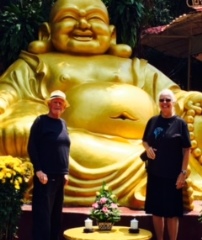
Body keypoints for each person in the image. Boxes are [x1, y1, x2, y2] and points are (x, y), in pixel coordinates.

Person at [0, 0, 201, 209]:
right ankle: (152, 187)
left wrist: (190, 100)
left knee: (192, 126)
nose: (84, 25)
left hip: (145, 139)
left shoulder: (131, 66)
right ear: (46, 33)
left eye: (94, 19)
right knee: (59, 145)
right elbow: (7, 91)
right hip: (79, 138)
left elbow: (173, 94)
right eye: (70, 18)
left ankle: (158, 185)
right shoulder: (36, 63)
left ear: (112, 34)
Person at [142, 88, 191, 240]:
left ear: (174, 102)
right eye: (161, 100)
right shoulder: (153, 121)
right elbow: (145, 140)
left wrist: (182, 173)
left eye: (167, 100)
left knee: (171, 212)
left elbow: (186, 149)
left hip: (173, 175)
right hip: (155, 173)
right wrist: (147, 149)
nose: (164, 103)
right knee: (156, 211)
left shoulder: (180, 123)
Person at [27, 90, 71, 240]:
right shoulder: (41, 122)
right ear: (49, 104)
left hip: (60, 176)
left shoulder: (63, 124)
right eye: (55, 102)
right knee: (43, 218)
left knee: (55, 217)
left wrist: (66, 171)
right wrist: (38, 170)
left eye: (61, 102)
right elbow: (32, 146)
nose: (58, 104)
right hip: (45, 176)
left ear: (64, 106)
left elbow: (65, 149)